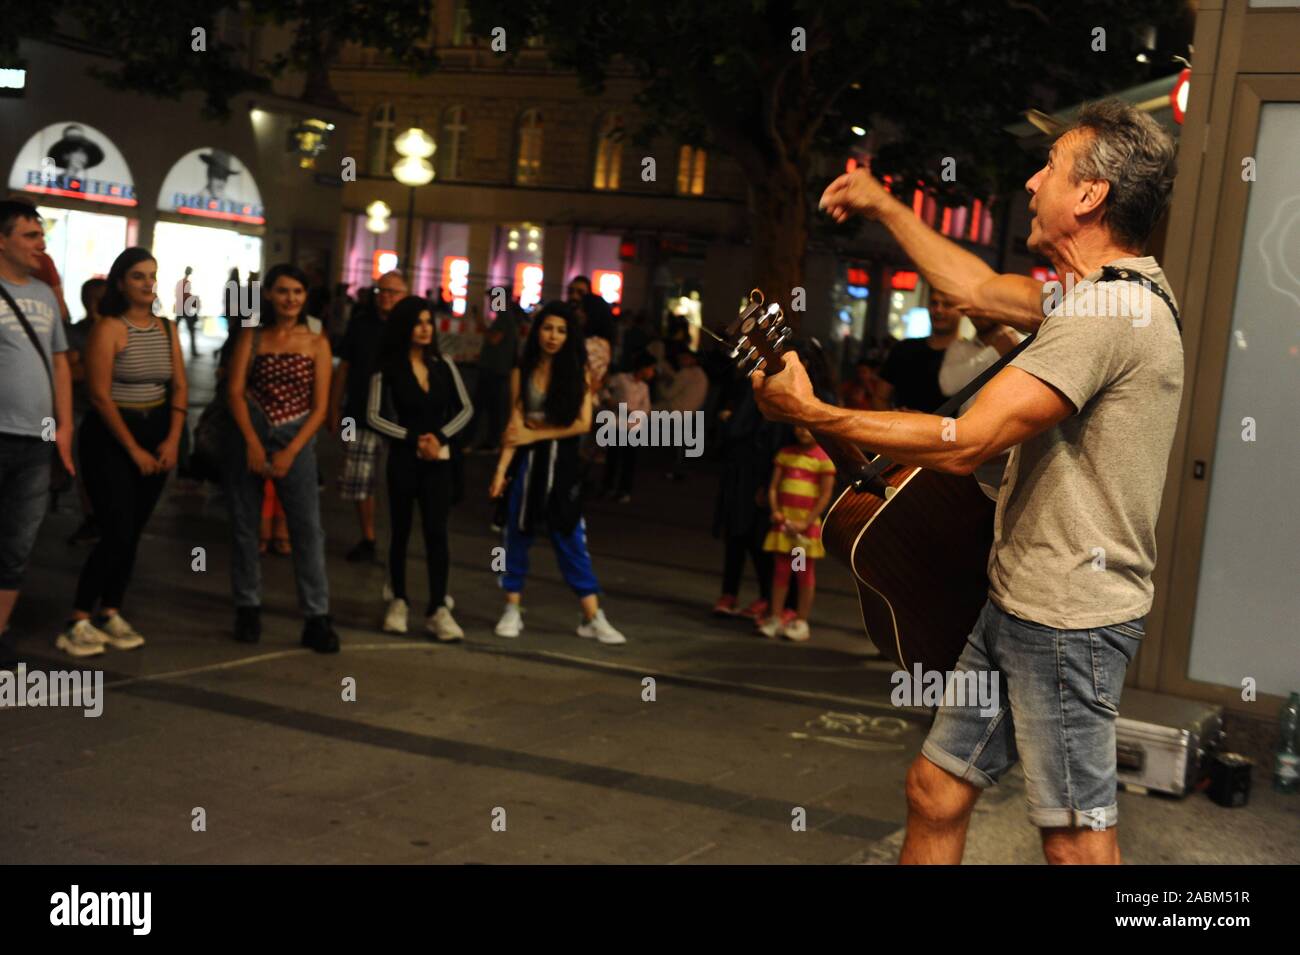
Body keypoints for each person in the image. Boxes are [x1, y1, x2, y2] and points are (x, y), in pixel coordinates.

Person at [770, 99, 1182, 865]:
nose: (1031, 182)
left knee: (1075, 842)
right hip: (1016, 605)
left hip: (1068, 623)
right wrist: (884, 203)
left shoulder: (1111, 311)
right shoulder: (1090, 296)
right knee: (936, 790)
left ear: (1090, 195)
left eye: (1050, 168)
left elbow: (969, 440)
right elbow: (979, 288)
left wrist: (816, 410)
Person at [57, 247, 188, 656]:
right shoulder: (109, 328)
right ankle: (78, 618)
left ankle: (110, 610)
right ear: (120, 283)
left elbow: (180, 387)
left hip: (157, 432)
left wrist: (171, 440)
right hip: (111, 437)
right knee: (114, 529)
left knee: (132, 531)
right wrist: (132, 449)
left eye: (152, 275)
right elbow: (98, 395)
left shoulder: (166, 329)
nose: (148, 283)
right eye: (138, 276)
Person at [488, 301, 626, 645]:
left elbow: (581, 423)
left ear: (570, 335)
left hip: (562, 467)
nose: (553, 336)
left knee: (570, 538)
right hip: (526, 466)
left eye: (561, 330)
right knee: (516, 535)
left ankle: (592, 615)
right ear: (537, 332)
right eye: (548, 328)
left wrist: (536, 433)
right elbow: (514, 425)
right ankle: (512, 608)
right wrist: (501, 470)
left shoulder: (578, 372)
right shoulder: (522, 370)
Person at [224, 263, 338, 652]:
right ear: (269, 294)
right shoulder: (252, 336)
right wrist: (253, 443)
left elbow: (321, 406)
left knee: (307, 529)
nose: (290, 298)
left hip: (297, 436)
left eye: (298, 292)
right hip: (251, 432)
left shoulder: (317, 342)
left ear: (306, 297)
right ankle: (247, 608)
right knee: (245, 526)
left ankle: (316, 616)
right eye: (283, 291)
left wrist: (292, 449)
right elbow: (235, 391)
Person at [367, 296, 473, 640]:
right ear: (404, 327)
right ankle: (398, 600)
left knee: (437, 533)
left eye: (429, 322)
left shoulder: (444, 365)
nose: (426, 328)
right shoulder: (387, 368)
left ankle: (438, 608)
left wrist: (439, 438)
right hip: (402, 460)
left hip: (438, 462)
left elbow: (465, 409)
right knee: (399, 532)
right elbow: (373, 416)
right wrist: (414, 439)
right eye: (418, 322)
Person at [0, 201, 76, 669]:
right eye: (30, 235)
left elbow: (62, 364)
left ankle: (1, 629)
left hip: (35, 442)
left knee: (17, 542)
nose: (40, 244)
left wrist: (65, 428)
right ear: (3, 240)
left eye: (41, 235)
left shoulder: (46, 297)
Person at [331, 269, 409, 562]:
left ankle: (395, 539)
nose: (386, 297)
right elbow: (345, 368)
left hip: (399, 417)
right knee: (357, 477)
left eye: (393, 292)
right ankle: (368, 537)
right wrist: (333, 408)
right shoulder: (361, 324)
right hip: (358, 414)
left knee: (397, 480)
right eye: (381, 291)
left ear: (405, 296)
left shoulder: (412, 328)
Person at [711, 371, 781, 620]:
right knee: (739, 538)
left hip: (756, 477)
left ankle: (775, 601)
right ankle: (739, 595)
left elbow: (735, 428)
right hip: (745, 476)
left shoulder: (763, 394)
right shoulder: (750, 389)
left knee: (758, 542)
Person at [756, 427, 836, 642]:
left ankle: (801, 620)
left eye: (808, 428)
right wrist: (776, 512)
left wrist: (805, 523)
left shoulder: (823, 459)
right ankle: (775, 617)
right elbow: (773, 487)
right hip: (785, 527)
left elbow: (825, 495)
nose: (802, 432)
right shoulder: (785, 454)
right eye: (798, 426)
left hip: (803, 532)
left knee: (802, 573)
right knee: (781, 571)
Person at [937, 307, 1024, 500]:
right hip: (969, 456)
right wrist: (994, 352)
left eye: (980, 305)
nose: (976, 312)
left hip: (1011, 458)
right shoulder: (960, 347)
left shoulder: (1022, 342)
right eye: (970, 308)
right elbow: (948, 385)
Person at [64, 277, 109, 545]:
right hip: (82, 410)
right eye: (93, 299)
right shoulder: (75, 332)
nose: (97, 304)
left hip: (112, 410)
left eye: (101, 298)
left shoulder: (118, 329)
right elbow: (72, 372)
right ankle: (92, 519)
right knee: (85, 472)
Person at [874, 288, 961, 412]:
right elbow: (880, 398)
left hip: (947, 431)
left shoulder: (972, 357)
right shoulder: (904, 349)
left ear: (962, 310)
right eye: (934, 303)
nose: (938, 310)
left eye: (947, 305)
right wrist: (893, 425)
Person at [598, 350, 656, 502]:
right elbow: (603, 390)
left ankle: (624, 490)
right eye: (650, 368)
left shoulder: (644, 387)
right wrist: (608, 401)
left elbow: (646, 407)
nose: (652, 372)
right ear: (642, 367)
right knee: (613, 458)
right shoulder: (621, 379)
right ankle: (608, 487)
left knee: (629, 460)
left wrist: (636, 414)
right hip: (617, 425)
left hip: (633, 428)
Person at [469, 297, 519, 453]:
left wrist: (479, 321)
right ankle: (492, 441)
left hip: (494, 371)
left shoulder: (504, 317)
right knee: (493, 409)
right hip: (497, 370)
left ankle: (487, 441)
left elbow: (494, 339)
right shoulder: (506, 317)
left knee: (486, 408)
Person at [654, 344, 708, 480]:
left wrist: (660, 383)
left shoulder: (685, 374)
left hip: (675, 411)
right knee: (680, 444)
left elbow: (668, 394)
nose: (680, 361)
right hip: (691, 413)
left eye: (683, 358)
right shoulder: (702, 375)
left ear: (692, 359)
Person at [174, 265, 200, 358]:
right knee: (191, 330)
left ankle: (171, 347)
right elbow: (186, 296)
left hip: (180, 308)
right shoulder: (186, 282)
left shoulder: (180, 282)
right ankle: (193, 351)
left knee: (175, 328)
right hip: (185, 309)